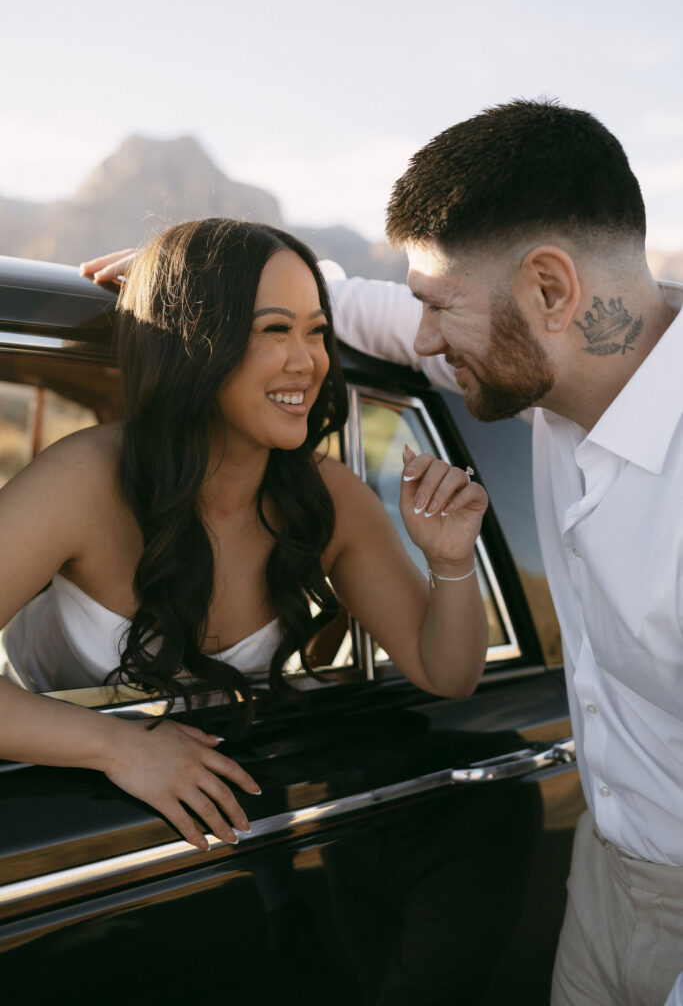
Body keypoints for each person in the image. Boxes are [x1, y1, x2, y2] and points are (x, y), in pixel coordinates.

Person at [292, 100, 683, 1006]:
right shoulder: (549, 362)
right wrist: (260, 282)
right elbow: (378, 315)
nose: (423, 337)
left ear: (550, 290)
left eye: (439, 305)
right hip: (601, 876)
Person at [0, 217, 489, 854]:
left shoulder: (329, 496)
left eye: (317, 332)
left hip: (243, 835)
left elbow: (446, 673)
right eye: (273, 330)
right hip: (56, 824)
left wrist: (451, 562)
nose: (307, 361)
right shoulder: (83, 481)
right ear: (195, 343)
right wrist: (116, 745)